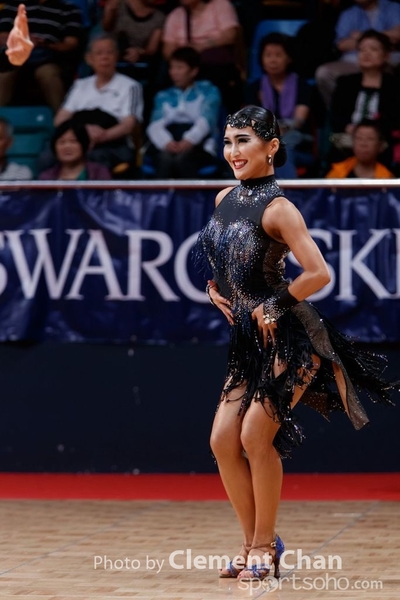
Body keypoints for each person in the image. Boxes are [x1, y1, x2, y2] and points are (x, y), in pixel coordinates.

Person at [194, 105, 398, 581]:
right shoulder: (224, 197)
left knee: (254, 436)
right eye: (228, 142)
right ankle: (250, 541)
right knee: (222, 440)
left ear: (271, 147)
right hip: (249, 339)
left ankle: (264, 546)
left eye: (244, 141)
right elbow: (228, 259)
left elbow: (319, 273)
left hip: (292, 336)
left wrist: (273, 305)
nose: (233, 151)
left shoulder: (280, 209)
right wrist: (215, 289)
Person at [54, 34, 143, 172]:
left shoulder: (130, 86)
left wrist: (101, 136)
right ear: (89, 59)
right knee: (48, 157)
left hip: (113, 143)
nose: (105, 57)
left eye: (109, 53)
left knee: (96, 158)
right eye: (99, 53)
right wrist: (83, 133)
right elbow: (60, 120)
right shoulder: (80, 85)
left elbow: (128, 125)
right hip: (79, 140)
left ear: (117, 56)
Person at [246, 32, 315, 178]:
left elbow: (299, 121)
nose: (273, 60)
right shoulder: (255, 87)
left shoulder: (301, 85)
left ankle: (287, 191)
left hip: (297, 143)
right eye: (268, 55)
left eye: (278, 55)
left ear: (289, 58)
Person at [145, 46, 221, 178]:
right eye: (172, 68)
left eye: (179, 68)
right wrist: (166, 142)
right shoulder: (163, 95)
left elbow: (206, 120)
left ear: (193, 71)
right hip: (169, 140)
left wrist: (189, 140)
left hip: (199, 144)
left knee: (183, 159)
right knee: (164, 159)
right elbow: (155, 124)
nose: (174, 72)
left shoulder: (209, 91)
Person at [161, 0, 243, 112]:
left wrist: (201, 46)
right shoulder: (175, 15)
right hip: (186, 61)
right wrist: (183, 61)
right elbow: (168, 50)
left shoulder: (220, 5)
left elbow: (230, 35)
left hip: (215, 64)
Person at [0, 0, 82, 111]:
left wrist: (46, 44)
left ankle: (61, 118)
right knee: (3, 75)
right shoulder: (13, 5)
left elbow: (71, 43)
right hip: (15, 55)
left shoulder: (68, 10)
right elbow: (2, 36)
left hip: (47, 57)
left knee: (48, 75)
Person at [315, 0, 400, 108]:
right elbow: (342, 45)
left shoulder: (392, 7)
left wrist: (362, 36)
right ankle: (341, 111)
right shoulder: (348, 14)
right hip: (353, 60)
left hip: (388, 58)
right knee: (324, 73)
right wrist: (382, 39)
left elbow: (398, 35)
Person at [38, 119, 111, 180]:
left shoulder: (99, 173)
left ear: (84, 145)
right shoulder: (46, 177)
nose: (67, 147)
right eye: (62, 142)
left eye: (73, 141)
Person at [325, 119, 394, 178]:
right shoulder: (337, 173)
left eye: (370, 139)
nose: (363, 144)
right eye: (359, 138)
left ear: (380, 146)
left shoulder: (387, 178)